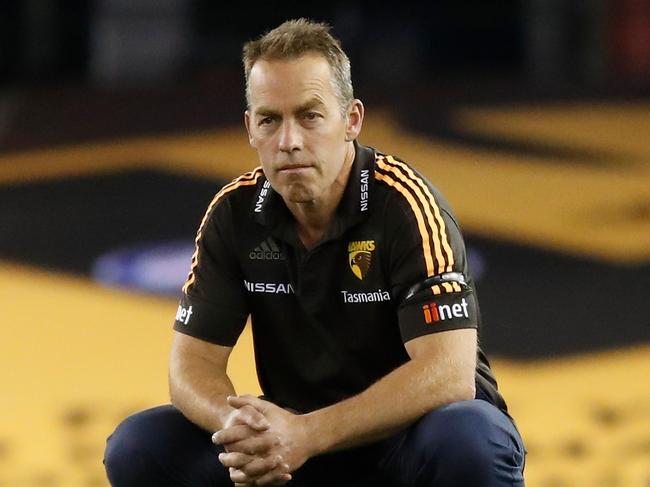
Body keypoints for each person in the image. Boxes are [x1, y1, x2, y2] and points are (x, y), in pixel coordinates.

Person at [103, 18, 526, 487]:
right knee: (139, 446)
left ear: (352, 121)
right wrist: (240, 428)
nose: (289, 141)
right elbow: (191, 366)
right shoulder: (234, 213)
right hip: (298, 450)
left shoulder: (404, 204)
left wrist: (308, 433)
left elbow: (449, 373)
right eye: (270, 119)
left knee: (468, 437)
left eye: (310, 115)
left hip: (406, 445)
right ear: (249, 128)